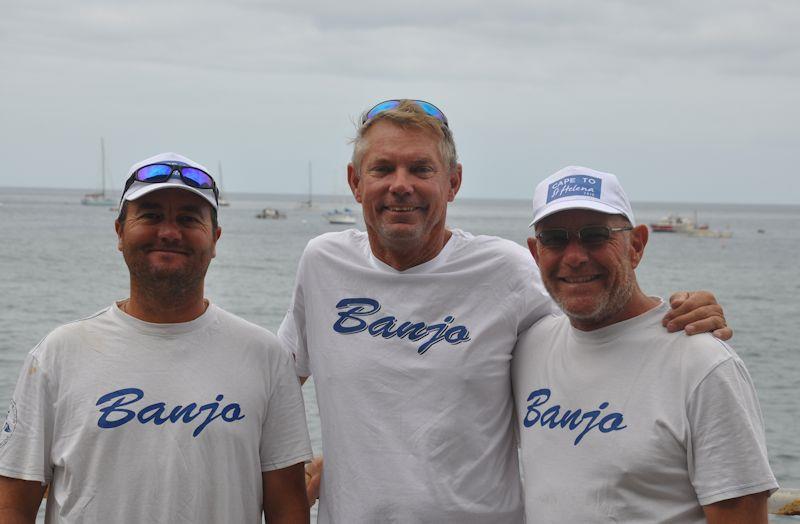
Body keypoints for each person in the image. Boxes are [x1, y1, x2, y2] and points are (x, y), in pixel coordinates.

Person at [279, 99, 731, 522]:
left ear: (452, 182)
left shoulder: (507, 271)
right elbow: (273, 385)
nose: (401, 185)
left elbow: (593, 333)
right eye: (383, 168)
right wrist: (296, 468)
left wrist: (673, 319)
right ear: (355, 182)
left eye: (421, 168)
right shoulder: (323, 264)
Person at [0, 152, 313, 523]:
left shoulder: (265, 357)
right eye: (150, 215)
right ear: (120, 232)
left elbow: (288, 508)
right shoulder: (57, 354)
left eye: (187, 218)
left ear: (214, 239)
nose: (168, 232)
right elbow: (13, 504)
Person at [514, 165, 777, 523]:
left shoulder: (702, 364)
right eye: (555, 239)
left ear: (635, 245)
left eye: (594, 236)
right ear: (535, 253)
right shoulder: (528, 347)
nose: (574, 256)